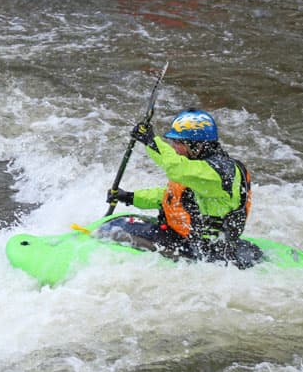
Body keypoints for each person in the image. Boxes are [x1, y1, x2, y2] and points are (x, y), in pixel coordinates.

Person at [107, 109, 252, 262]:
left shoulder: (219, 172)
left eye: (178, 143)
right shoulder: (199, 168)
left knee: (113, 230)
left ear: (197, 146)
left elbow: (176, 168)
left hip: (205, 251)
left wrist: (151, 142)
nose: (174, 147)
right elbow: (174, 197)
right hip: (190, 241)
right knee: (120, 222)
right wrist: (130, 197)